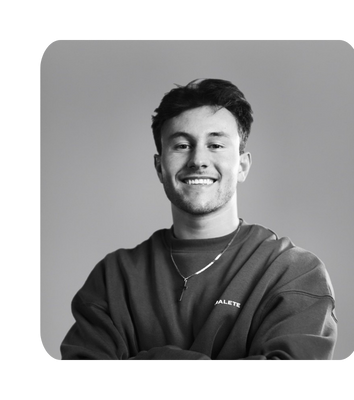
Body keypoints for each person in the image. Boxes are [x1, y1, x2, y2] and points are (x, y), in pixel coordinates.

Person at [60, 78, 338, 363]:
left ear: (242, 166)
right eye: (182, 145)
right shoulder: (114, 277)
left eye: (215, 144)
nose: (198, 160)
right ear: (159, 167)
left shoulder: (292, 271)